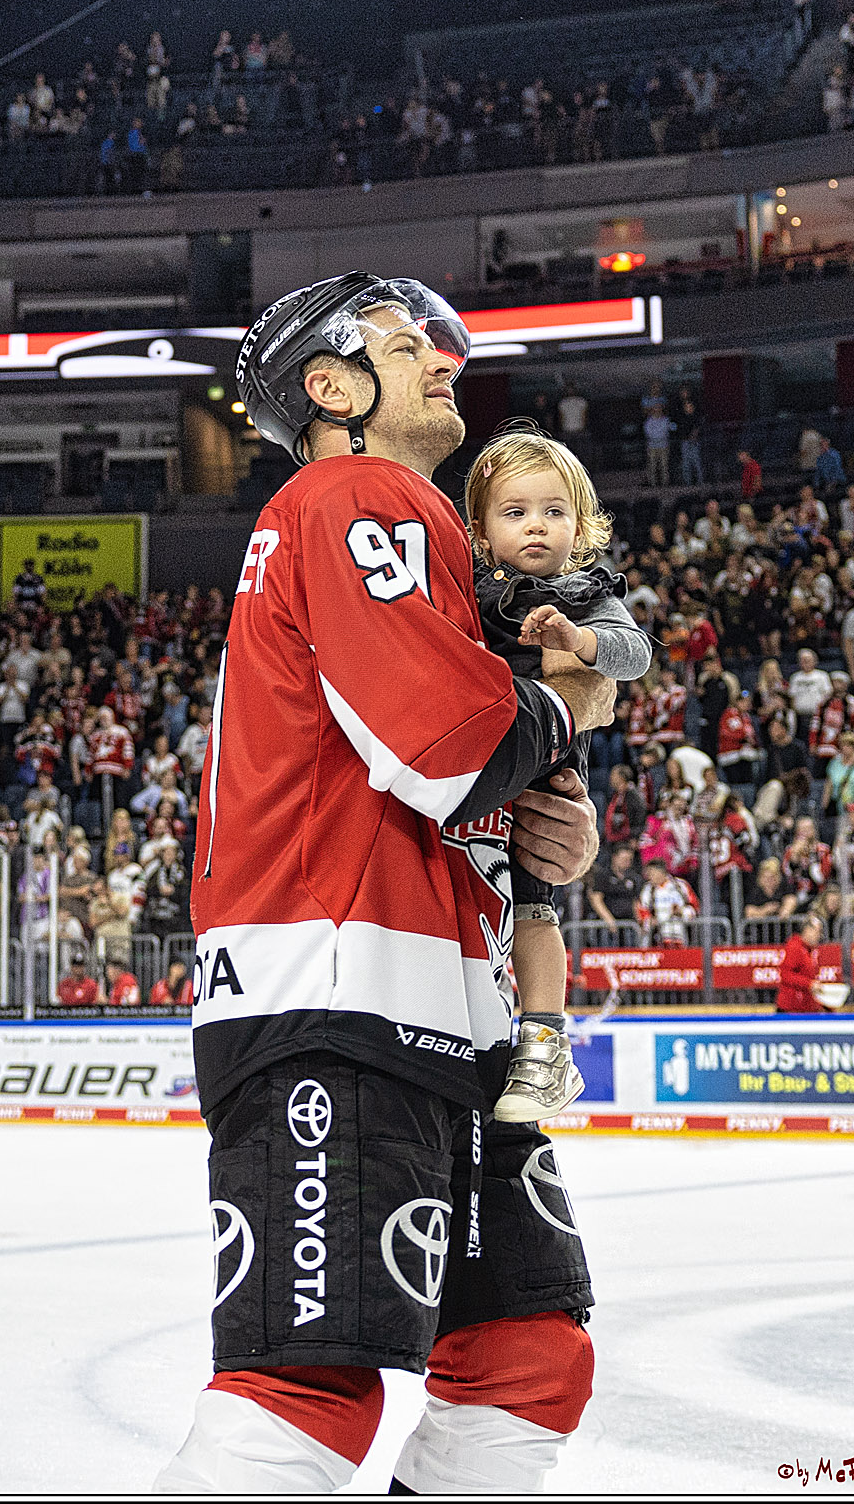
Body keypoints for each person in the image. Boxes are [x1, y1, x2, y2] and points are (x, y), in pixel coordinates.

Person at [156, 272, 610, 1495]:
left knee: (527, 1351)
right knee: (308, 1385)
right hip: (335, 1005)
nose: (442, 360)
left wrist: (534, 826)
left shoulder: (412, 534)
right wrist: (571, 709)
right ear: (331, 385)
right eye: (410, 345)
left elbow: (453, 770)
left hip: (431, 1013)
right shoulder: (360, 491)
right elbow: (446, 744)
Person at [464, 427, 651, 1121]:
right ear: (481, 532)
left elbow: (635, 656)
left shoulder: (583, 593)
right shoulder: (462, 592)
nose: (536, 526)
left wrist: (579, 640)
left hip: (542, 780)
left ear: (584, 526)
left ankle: (545, 1044)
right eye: (515, 512)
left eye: (553, 511)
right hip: (469, 772)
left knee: (535, 907)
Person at [776, 914, 829, 1013]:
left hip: (804, 1008)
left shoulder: (811, 951)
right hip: (791, 1009)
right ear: (808, 930)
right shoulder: (794, 947)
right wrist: (810, 984)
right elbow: (786, 975)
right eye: (818, 931)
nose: (820, 936)